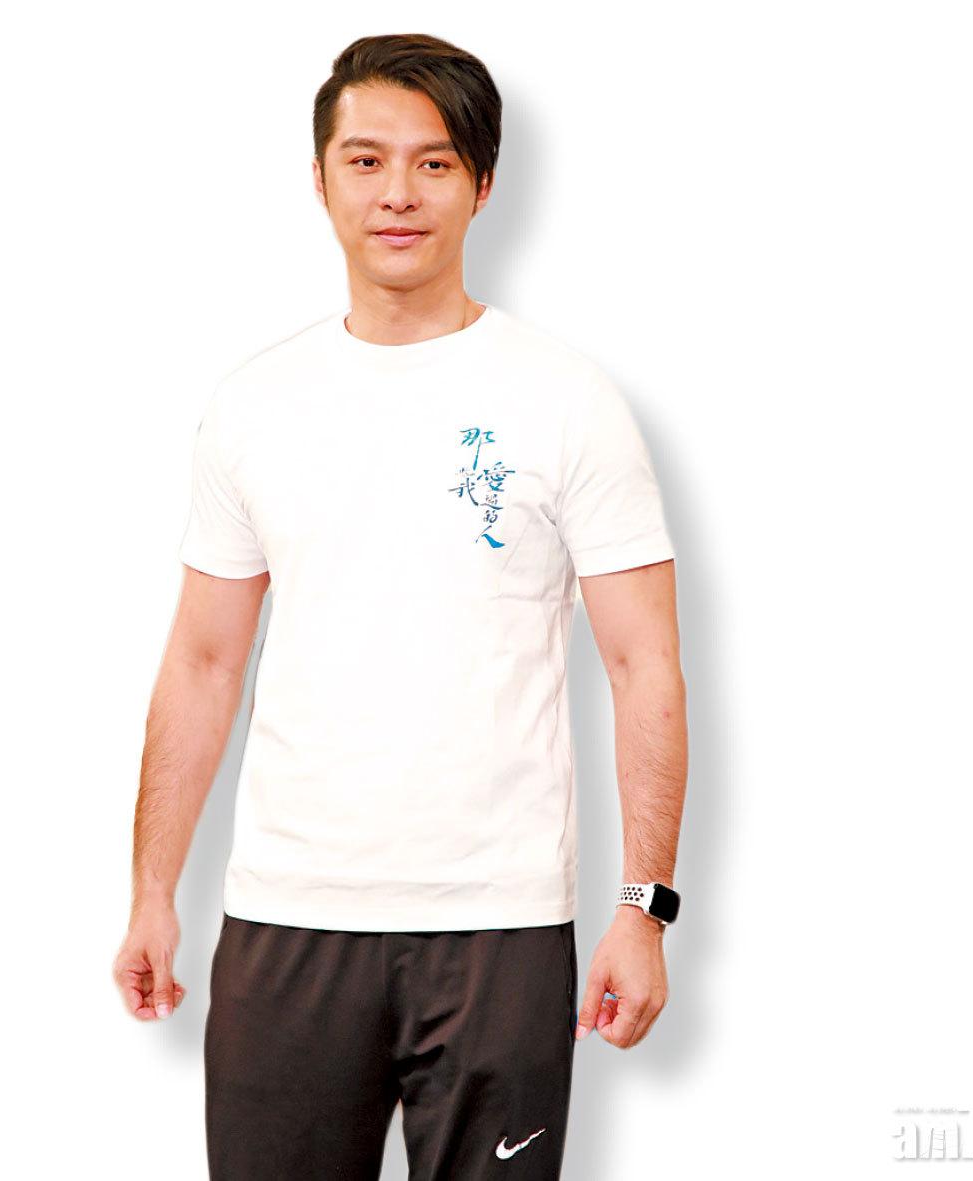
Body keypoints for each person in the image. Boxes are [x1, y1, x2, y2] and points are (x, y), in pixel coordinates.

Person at [112, 32, 689, 1181]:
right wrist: (150, 891)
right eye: (365, 159)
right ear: (319, 178)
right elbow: (202, 662)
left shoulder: (566, 400)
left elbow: (643, 666)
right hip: (286, 916)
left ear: (481, 183)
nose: (396, 193)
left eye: (432, 163)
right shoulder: (255, 405)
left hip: (500, 924)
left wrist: (643, 907)